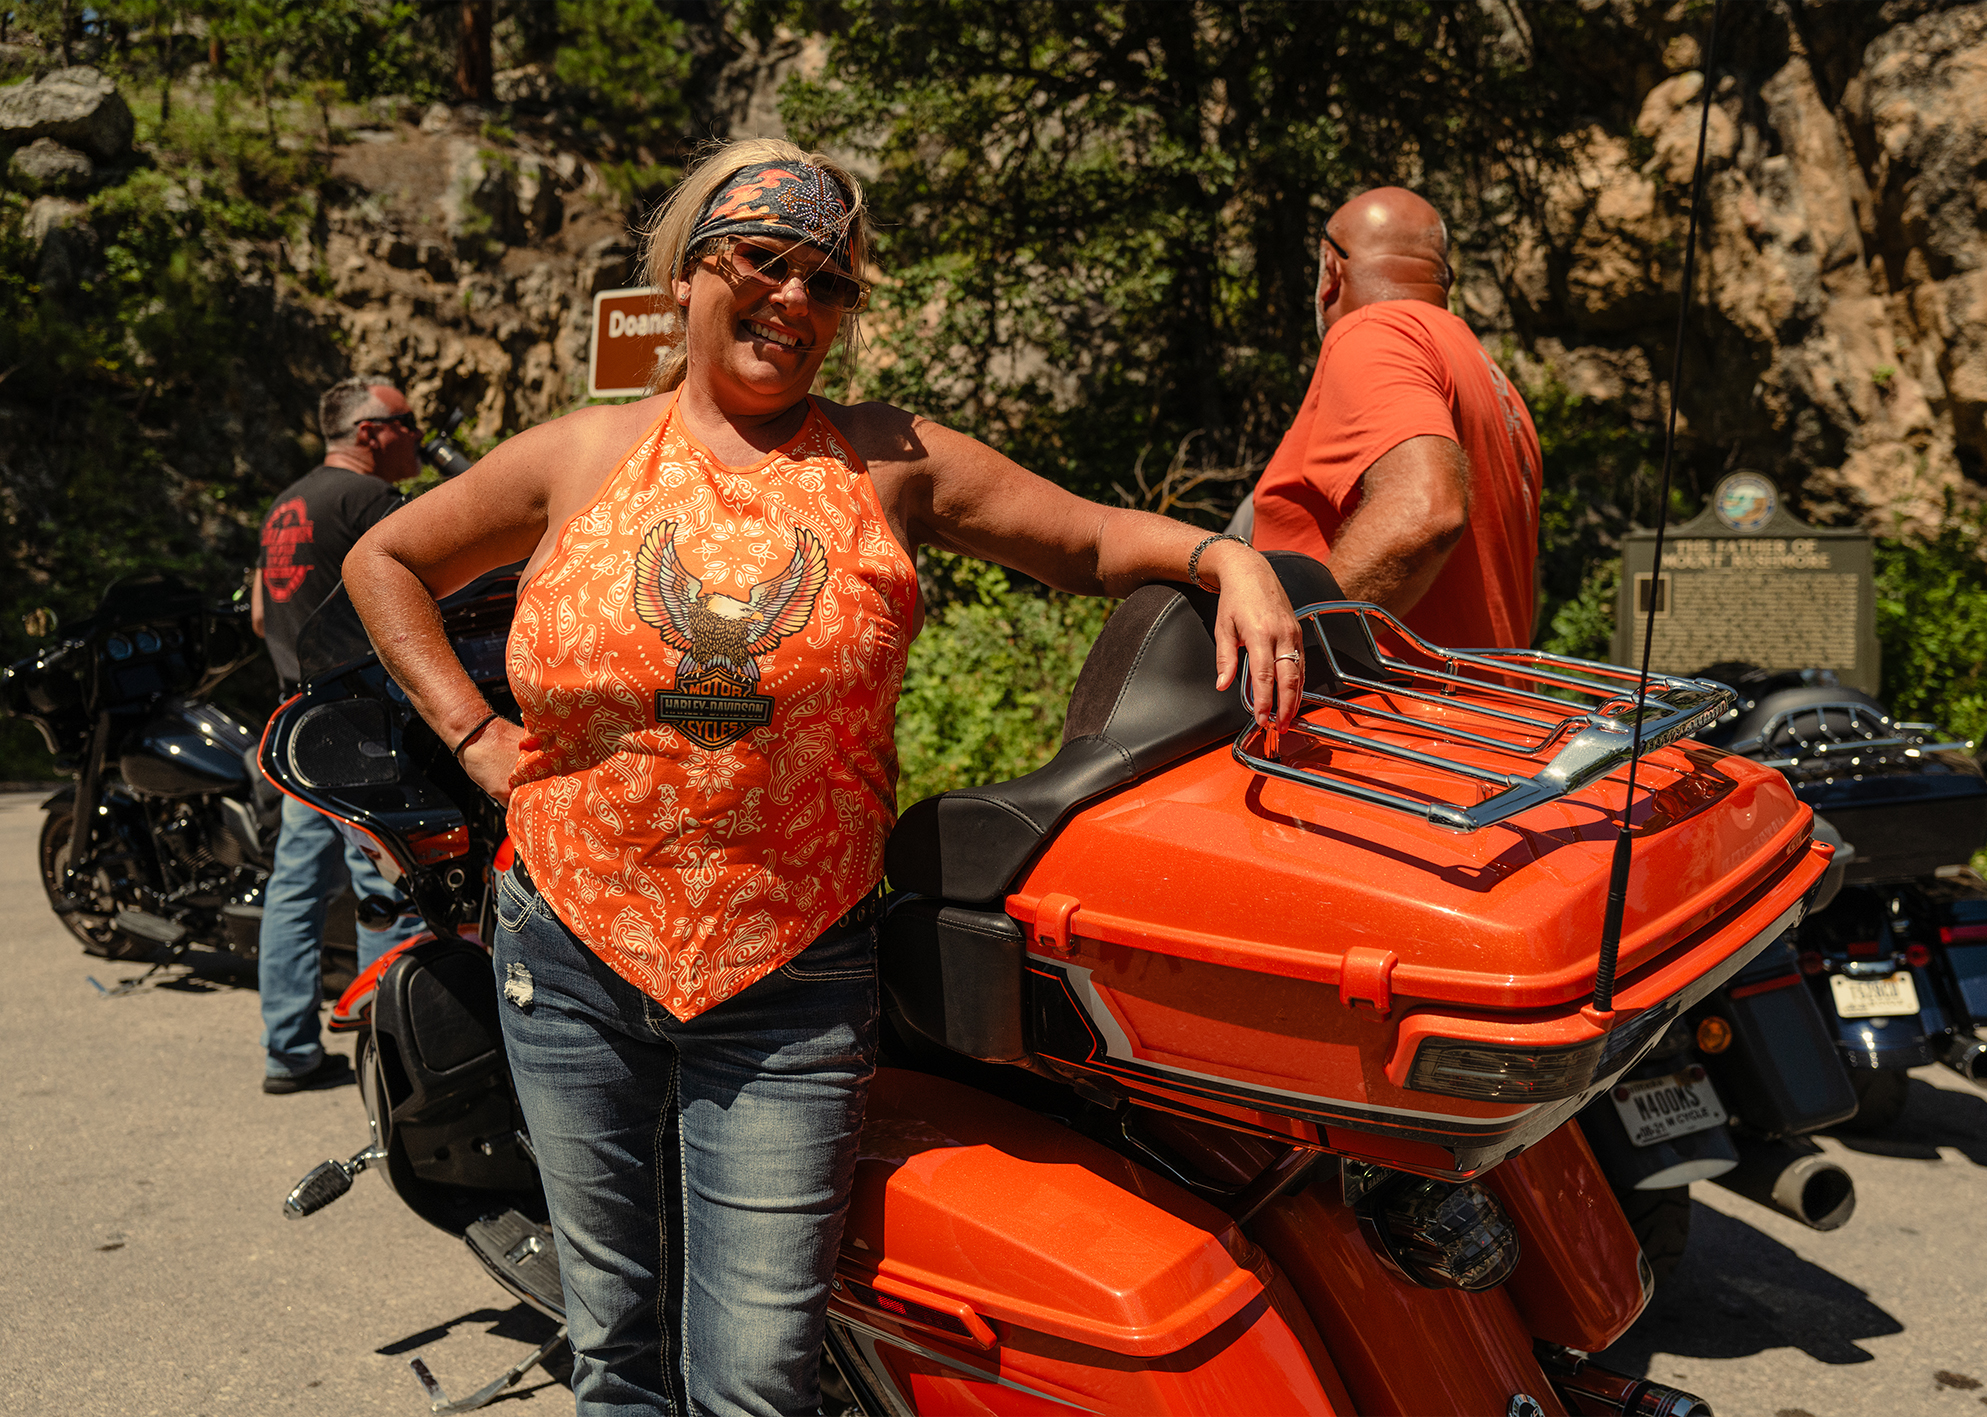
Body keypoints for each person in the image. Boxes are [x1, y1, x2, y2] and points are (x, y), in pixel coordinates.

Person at [340, 137, 1305, 1415]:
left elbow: (1084, 540)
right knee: (617, 1355)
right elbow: (385, 560)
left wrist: (1227, 560)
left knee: (754, 1379)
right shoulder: (578, 454)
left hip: (790, 975)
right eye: (762, 260)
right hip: (567, 953)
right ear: (686, 277)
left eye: (828, 281)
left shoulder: (889, 459)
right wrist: (471, 733)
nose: (794, 299)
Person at [1249, 187, 1544, 649]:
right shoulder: (1495, 382)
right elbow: (1524, 587)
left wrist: (1291, 648)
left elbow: (1426, 511)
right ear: (1444, 278)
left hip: (1385, 697)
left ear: (1330, 269)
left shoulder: (1373, 334)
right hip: (1489, 696)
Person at [252, 376, 426, 1094]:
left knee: (296, 889)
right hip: (359, 726)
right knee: (388, 886)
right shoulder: (369, 502)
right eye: (407, 422)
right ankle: (401, 1063)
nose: (418, 435)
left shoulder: (284, 506)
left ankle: (289, 1050)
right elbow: (427, 597)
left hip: (298, 723)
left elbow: (260, 616)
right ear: (368, 432)